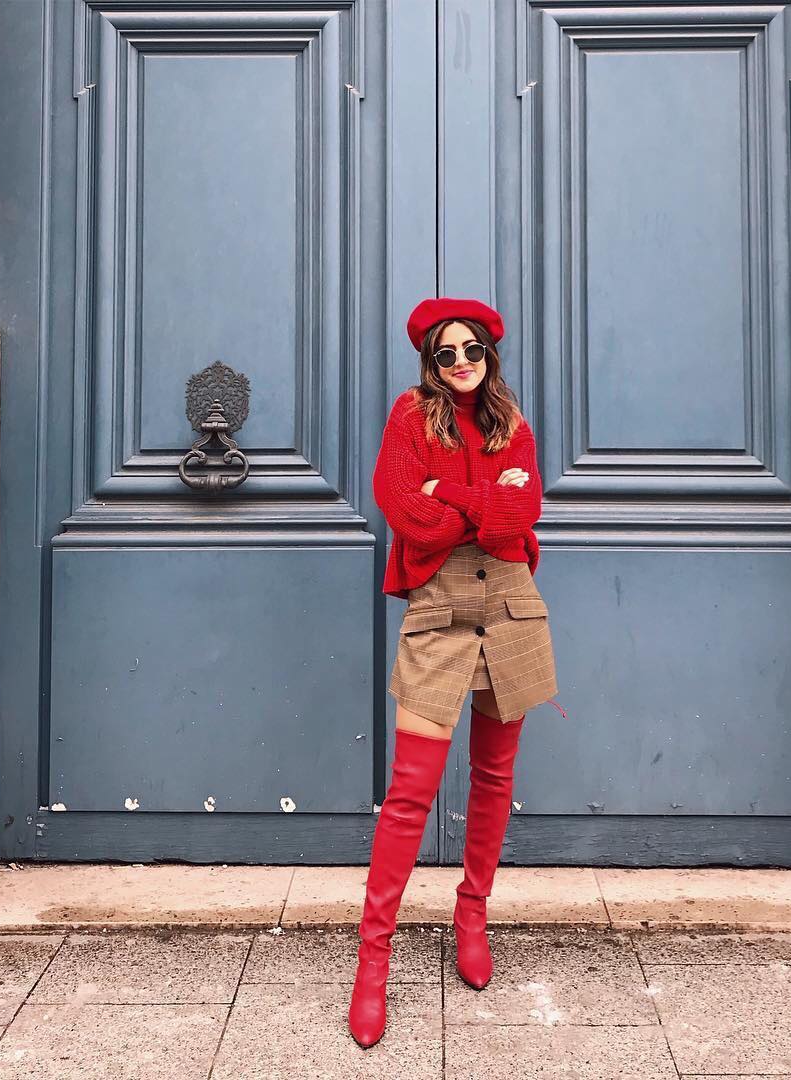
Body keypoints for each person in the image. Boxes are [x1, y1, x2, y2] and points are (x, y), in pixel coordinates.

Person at [348, 296, 564, 1048]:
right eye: (448, 353)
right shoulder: (410, 417)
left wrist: (457, 498)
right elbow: (403, 509)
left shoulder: (514, 424)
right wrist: (481, 503)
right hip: (438, 607)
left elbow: (521, 514)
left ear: (489, 355)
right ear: (430, 362)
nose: (463, 363)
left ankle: (472, 914)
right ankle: (372, 962)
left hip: (509, 604)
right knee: (410, 792)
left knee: (495, 778)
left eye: (473, 350)